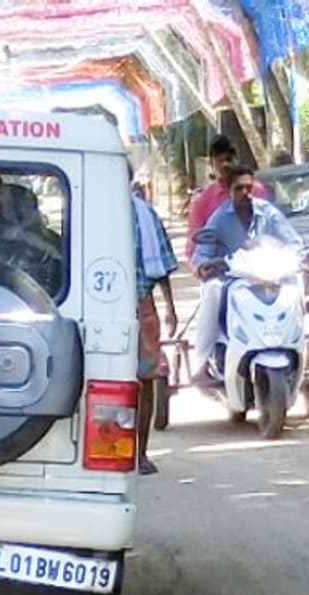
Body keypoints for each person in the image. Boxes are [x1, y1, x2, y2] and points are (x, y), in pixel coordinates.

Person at [190, 165, 303, 381]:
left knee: (296, 282)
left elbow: (294, 242)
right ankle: (202, 363)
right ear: (230, 191)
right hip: (234, 280)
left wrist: (297, 257)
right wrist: (204, 265)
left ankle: (296, 340)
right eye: (239, 189)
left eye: (249, 188)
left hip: (269, 276)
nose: (245, 193)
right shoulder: (220, 218)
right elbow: (202, 252)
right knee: (212, 290)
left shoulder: (269, 213)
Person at [132, 180, 179, 475]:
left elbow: (161, 265)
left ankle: (141, 453)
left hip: (141, 303)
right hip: (112, 304)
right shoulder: (98, 211)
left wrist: (170, 307)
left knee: (146, 379)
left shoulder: (145, 214)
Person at [186, 134, 268, 263]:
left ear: (237, 159)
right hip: (220, 272)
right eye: (219, 160)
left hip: (258, 265)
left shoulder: (256, 191)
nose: (225, 164)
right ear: (211, 163)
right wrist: (203, 269)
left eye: (229, 159)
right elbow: (194, 248)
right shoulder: (202, 202)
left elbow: (272, 229)